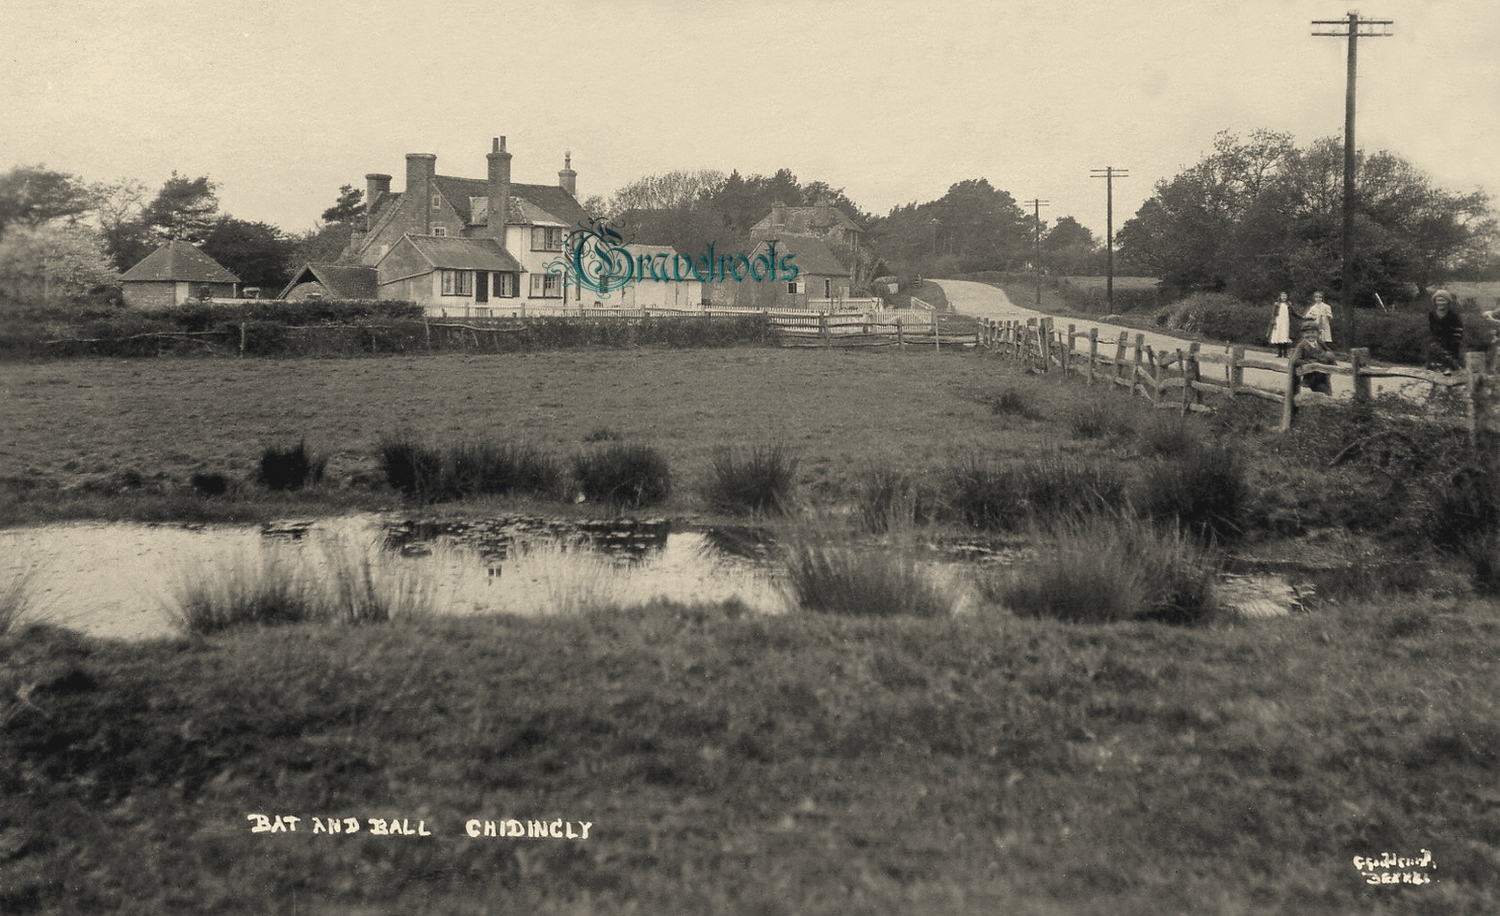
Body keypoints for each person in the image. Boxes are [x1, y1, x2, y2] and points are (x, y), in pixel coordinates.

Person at [1289, 317, 1335, 396]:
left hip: (1324, 373)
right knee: (1324, 393)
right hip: (1312, 376)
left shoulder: (1320, 343)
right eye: (1307, 333)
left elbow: (1329, 352)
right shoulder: (1302, 346)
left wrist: (1329, 358)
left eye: (1313, 332)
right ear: (1303, 335)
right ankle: (1323, 404)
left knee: (1328, 392)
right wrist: (1309, 362)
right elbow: (1295, 360)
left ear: (1318, 333)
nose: (1310, 335)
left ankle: (1324, 404)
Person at [1427, 288, 1465, 374]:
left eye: (1443, 300)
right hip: (1435, 344)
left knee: (1449, 369)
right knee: (1432, 369)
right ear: (1435, 302)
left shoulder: (1453, 315)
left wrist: (1453, 344)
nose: (1440, 303)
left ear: (1448, 302)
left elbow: (1458, 332)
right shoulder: (1432, 314)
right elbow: (1431, 329)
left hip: (1450, 345)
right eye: (1438, 300)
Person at [1266, 292, 1297, 358]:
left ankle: (1285, 353)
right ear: (1280, 297)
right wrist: (1274, 323)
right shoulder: (1277, 304)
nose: (1284, 297)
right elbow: (1273, 314)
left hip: (1285, 322)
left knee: (1285, 336)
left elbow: (1294, 313)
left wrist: (1302, 317)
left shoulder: (1289, 304)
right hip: (1279, 321)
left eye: (1285, 296)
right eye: (1283, 296)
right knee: (1278, 336)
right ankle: (1279, 353)